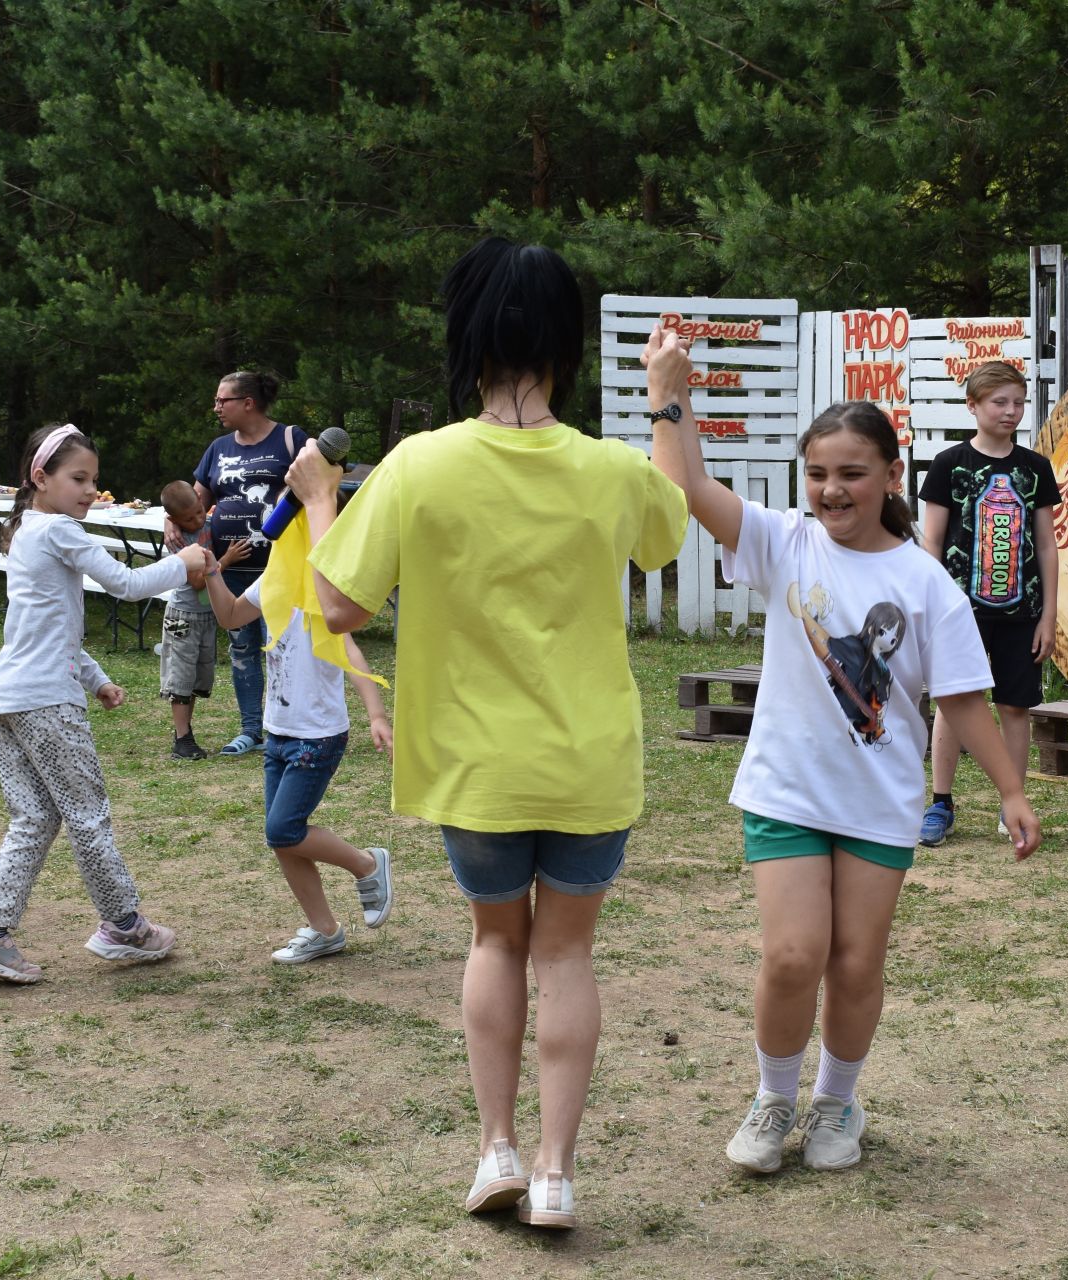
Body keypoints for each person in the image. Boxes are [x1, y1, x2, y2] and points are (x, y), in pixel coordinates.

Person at [294, 237, 687, 1229]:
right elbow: (673, 524)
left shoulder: (422, 464)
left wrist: (318, 499)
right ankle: (555, 1170)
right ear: (568, 342)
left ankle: (496, 1150)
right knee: (566, 953)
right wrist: (671, 398)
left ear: (466, 339)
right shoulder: (608, 469)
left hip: (473, 766)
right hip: (591, 761)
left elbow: (337, 603)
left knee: (495, 940)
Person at [641, 327, 1041, 1177]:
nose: (831, 490)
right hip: (787, 789)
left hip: (878, 801)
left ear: (892, 477)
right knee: (793, 956)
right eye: (818, 473)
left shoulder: (927, 583)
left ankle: (835, 1103)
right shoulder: (784, 540)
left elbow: (964, 700)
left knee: (856, 963)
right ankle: (772, 1097)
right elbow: (688, 487)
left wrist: (1009, 791)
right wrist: (669, 396)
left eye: (852, 473)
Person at [0, 423, 207, 984]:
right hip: (44, 702)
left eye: (94, 479)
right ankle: (125, 928)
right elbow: (125, 584)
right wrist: (184, 564)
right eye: (78, 478)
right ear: (40, 478)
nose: (90, 490)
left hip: (9, 696)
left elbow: (47, 630)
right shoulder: (58, 529)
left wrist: (97, 680)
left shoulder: (28, 533)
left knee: (35, 816)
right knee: (87, 816)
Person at [204, 546, 394, 963]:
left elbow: (349, 651)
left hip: (319, 734)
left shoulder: (319, 588)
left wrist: (377, 715)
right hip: (279, 732)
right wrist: (214, 573)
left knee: (284, 830)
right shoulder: (272, 580)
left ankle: (366, 864)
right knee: (283, 840)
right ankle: (325, 930)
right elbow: (231, 617)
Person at [917, 361, 1062, 844]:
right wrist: (934, 607)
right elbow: (932, 543)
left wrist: (1049, 615)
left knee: (1015, 706)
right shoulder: (948, 465)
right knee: (955, 703)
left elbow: (1045, 546)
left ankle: (1011, 802)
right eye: (999, 402)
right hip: (959, 613)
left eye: (1018, 402)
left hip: (1023, 613)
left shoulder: (1035, 469)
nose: (1011, 411)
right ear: (973, 406)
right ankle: (940, 803)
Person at [172, 371, 309, 757]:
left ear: (248, 402)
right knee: (242, 651)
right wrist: (171, 517)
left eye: (222, 400)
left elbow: (319, 483)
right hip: (230, 571)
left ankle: (286, 728)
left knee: (281, 647)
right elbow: (194, 500)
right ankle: (252, 730)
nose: (216, 407)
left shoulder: (291, 439)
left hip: (280, 568)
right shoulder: (218, 448)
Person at [158, 481, 248, 760]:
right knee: (181, 678)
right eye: (188, 519)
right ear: (174, 521)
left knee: (196, 677)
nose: (197, 520)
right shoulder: (178, 540)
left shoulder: (205, 523)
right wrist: (228, 559)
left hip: (205, 616)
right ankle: (182, 740)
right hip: (182, 617)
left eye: (199, 513)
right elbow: (198, 581)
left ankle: (183, 733)